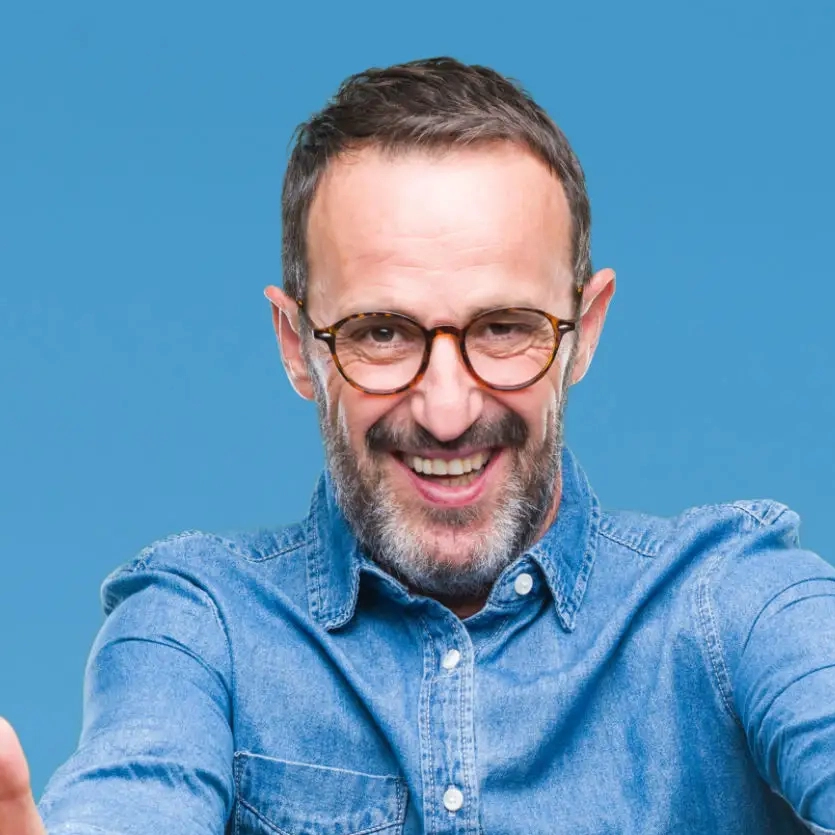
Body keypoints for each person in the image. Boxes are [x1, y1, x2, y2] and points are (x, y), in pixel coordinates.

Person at [1, 56, 833, 835]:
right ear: (296, 344)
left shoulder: (736, 603)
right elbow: (132, 797)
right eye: (382, 332)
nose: (445, 411)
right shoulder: (196, 625)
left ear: (584, 330)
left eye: (503, 327)